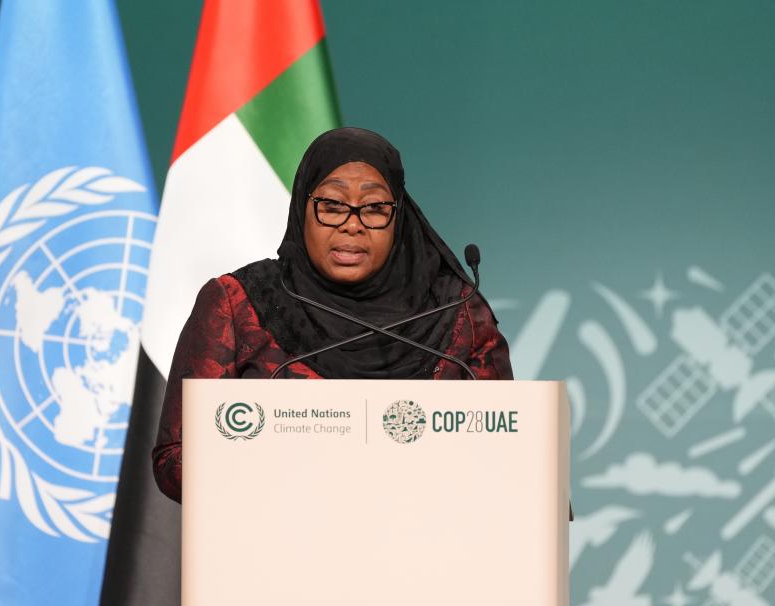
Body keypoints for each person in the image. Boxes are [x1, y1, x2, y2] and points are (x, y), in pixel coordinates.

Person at [153, 127, 575, 521]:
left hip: (431, 560)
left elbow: (507, 451)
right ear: (302, 207)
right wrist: (285, 477)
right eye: (332, 206)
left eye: (374, 208)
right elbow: (175, 457)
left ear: (399, 215)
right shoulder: (239, 302)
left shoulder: (456, 311)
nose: (352, 224)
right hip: (280, 558)